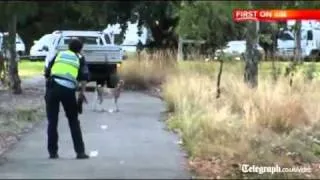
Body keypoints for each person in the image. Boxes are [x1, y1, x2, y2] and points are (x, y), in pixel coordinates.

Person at [44, 38, 90, 159]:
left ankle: (52, 153)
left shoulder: (59, 54)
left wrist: (48, 91)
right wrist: (81, 95)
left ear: (68, 47)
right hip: (68, 90)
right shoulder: (80, 58)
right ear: (80, 49)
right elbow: (84, 79)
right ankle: (80, 152)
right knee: (73, 120)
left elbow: (47, 72)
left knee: (52, 121)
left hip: (52, 87)